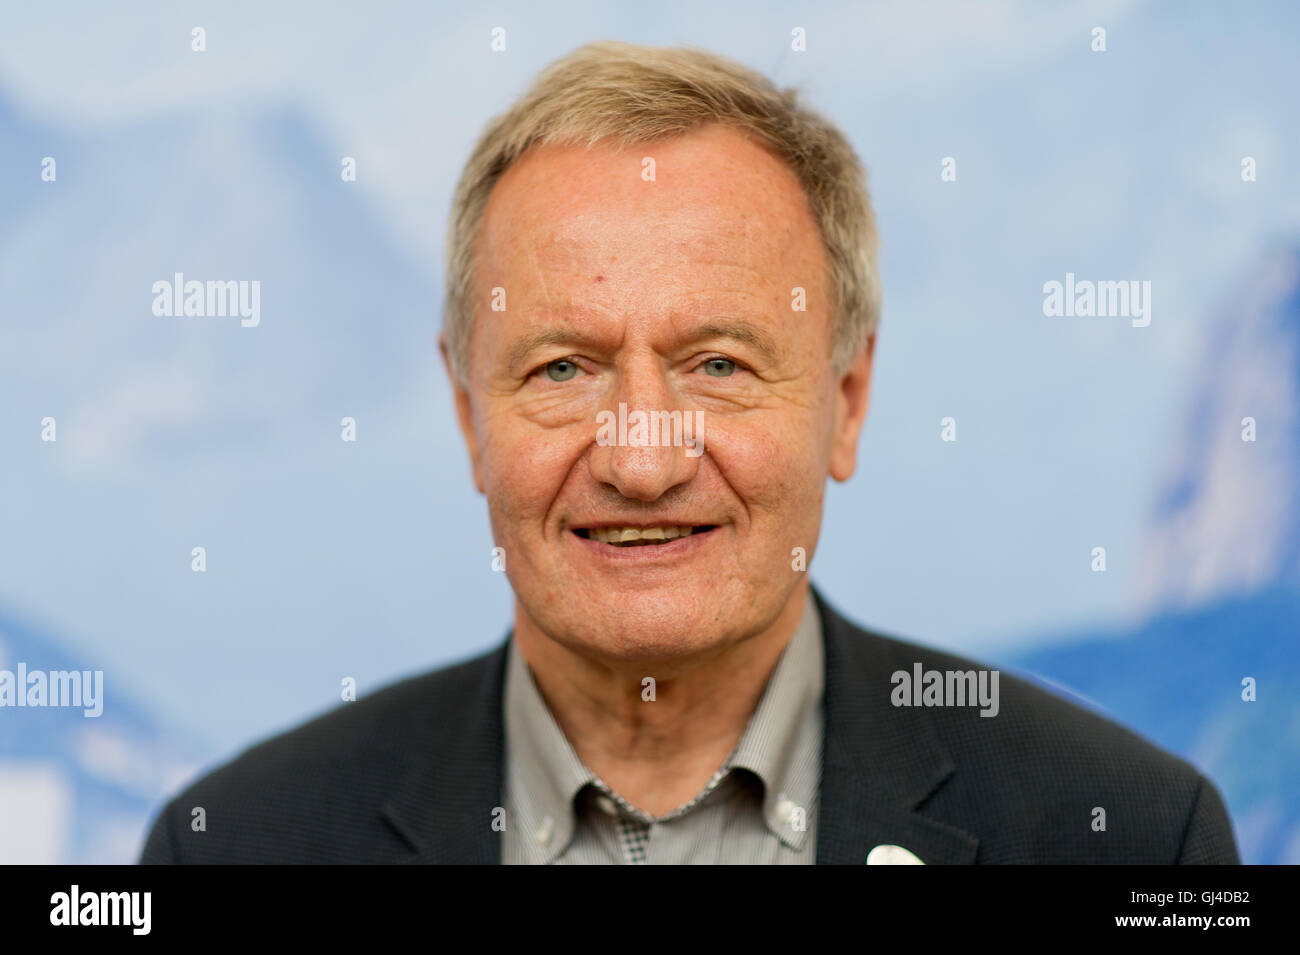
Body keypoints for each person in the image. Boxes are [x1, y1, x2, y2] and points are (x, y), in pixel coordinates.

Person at [140, 41, 1238, 864]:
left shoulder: (1130, 837)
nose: (643, 460)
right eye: (562, 369)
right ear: (470, 414)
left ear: (846, 402)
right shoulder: (238, 844)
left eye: (717, 364)